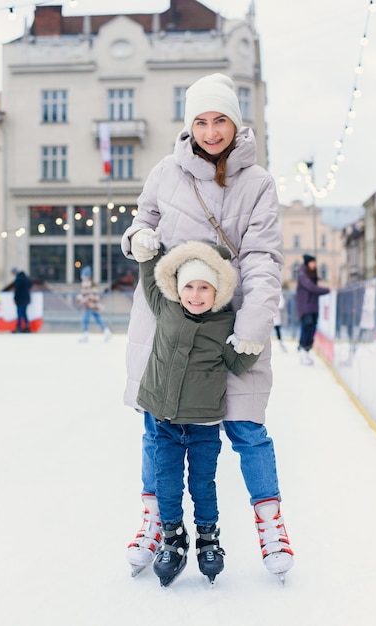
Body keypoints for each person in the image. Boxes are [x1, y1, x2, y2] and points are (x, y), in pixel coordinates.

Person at [121, 73, 294, 582]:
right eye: (201, 120)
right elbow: (140, 224)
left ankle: (271, 525)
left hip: (233, 325)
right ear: (189, 123)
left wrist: (253, 326)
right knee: (158, 427)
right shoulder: (163, 172)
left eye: (220, 120)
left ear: (236, 123)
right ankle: (154, 521)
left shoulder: (258, 182)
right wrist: (140, 240)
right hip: (169, 325)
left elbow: (263, 258)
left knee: (247, 427)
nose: (211, 130)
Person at [133, 238, 259, 586]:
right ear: (178, 287)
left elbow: (235, 362)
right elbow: (150, 275)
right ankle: (173, 539)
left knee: (202, 485)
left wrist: (249, 347)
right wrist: (146, 253)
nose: (196, 294)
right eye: (189, 286)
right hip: (166, 422)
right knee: (167, 486)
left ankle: (208, 538)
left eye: (204, 287)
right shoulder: (166, 306)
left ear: (216, 290)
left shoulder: (224, 321)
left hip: (204, 424)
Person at [296, 254, 330, 365]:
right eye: (312, 262)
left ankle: (305, 353)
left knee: (311, 330)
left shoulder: (310, 274)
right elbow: (311, 287)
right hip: (306, 307)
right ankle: (304, 354)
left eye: (315, 263)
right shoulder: (303, 275)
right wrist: (328, 289)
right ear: (307, 263)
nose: (314, 265)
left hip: (312, 307)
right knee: (307, 330)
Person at [75, 266, 112, 342]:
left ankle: (85, 335)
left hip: (89, 305)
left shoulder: (86, 283)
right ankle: (106, 331)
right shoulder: (91, 283)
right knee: (97, 319)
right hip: (93, 305)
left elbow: (86, 295)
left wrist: (80, 299)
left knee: (85, 320)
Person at [11, 268, 32, 333]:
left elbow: (17, 291)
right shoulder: (26, 279)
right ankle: (27, 327)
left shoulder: (18, 279)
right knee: (24, 313)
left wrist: (15, 298)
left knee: (19, 313)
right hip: (26, 299)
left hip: (20, 299)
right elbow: (30, 286)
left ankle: (19, 327)